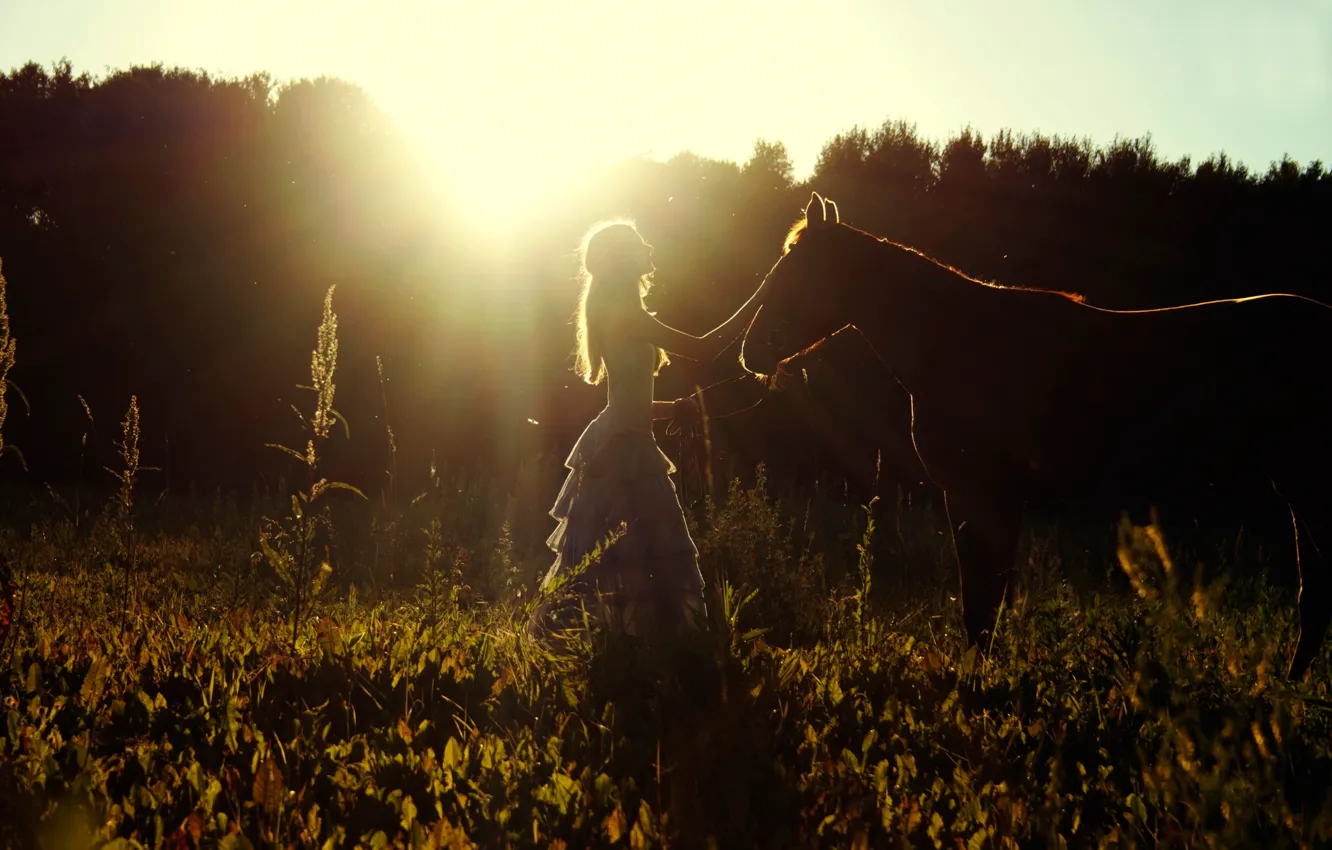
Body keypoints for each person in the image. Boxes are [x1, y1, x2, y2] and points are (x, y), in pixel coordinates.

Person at [532, 219, 772, 636]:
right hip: (622, 449)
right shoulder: (627, 316)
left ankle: (624, 645)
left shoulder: (623, 313)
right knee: (641, 552)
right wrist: (766, 293)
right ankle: (635, 644)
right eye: (639, 243)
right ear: (624, 259)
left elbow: (628, 403)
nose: (649, 248)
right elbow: (703, 348)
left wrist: (671, 409)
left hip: (621, 440)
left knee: (624, 554)